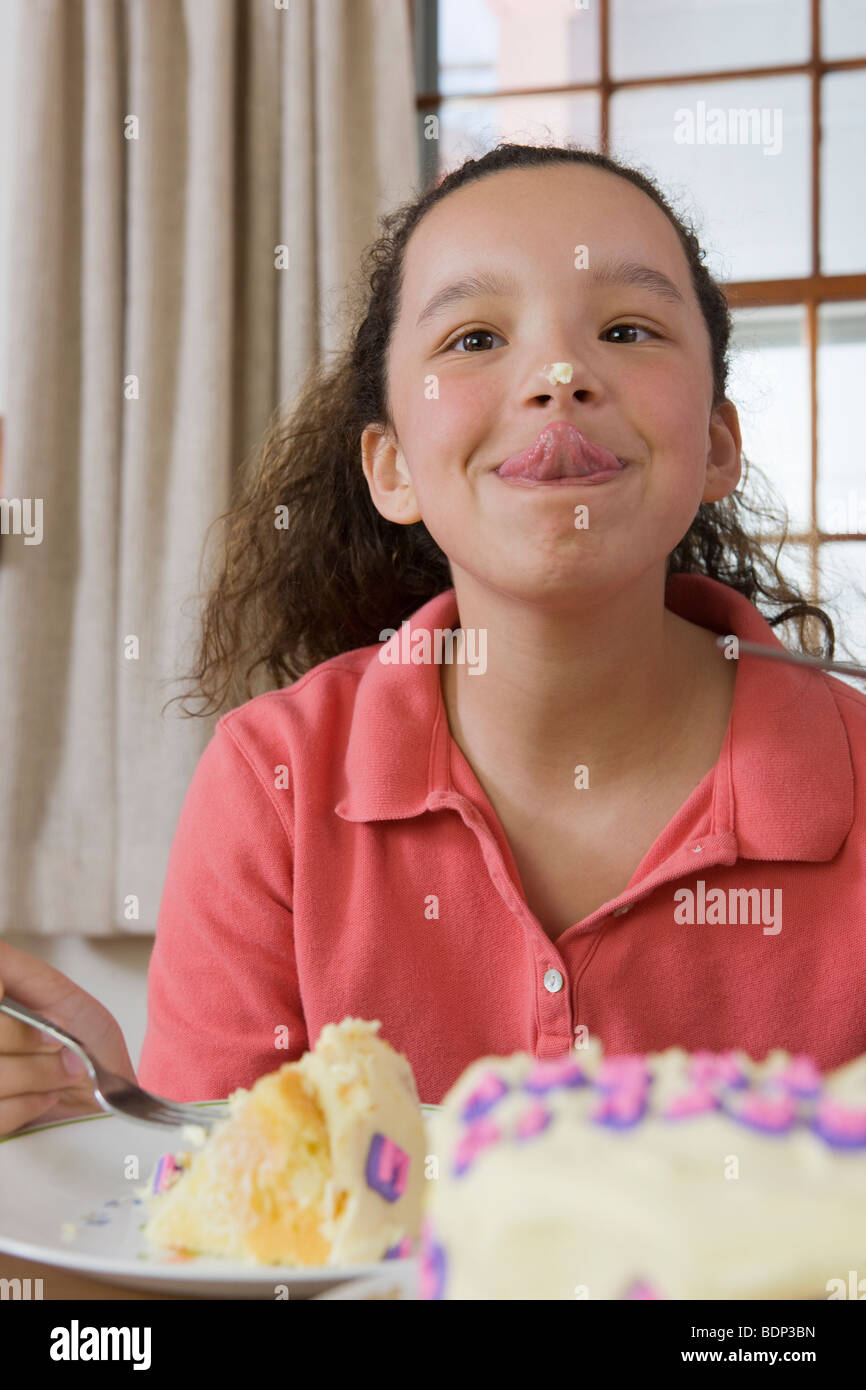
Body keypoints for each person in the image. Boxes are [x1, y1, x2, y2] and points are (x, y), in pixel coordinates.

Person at [2, 143, 864, 1137]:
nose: (556, 375)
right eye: (472, 338)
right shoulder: (272, 781)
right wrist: (93, 1134)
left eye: (625, 328)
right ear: (391, 467)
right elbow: (220, 1263)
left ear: (714, 445)